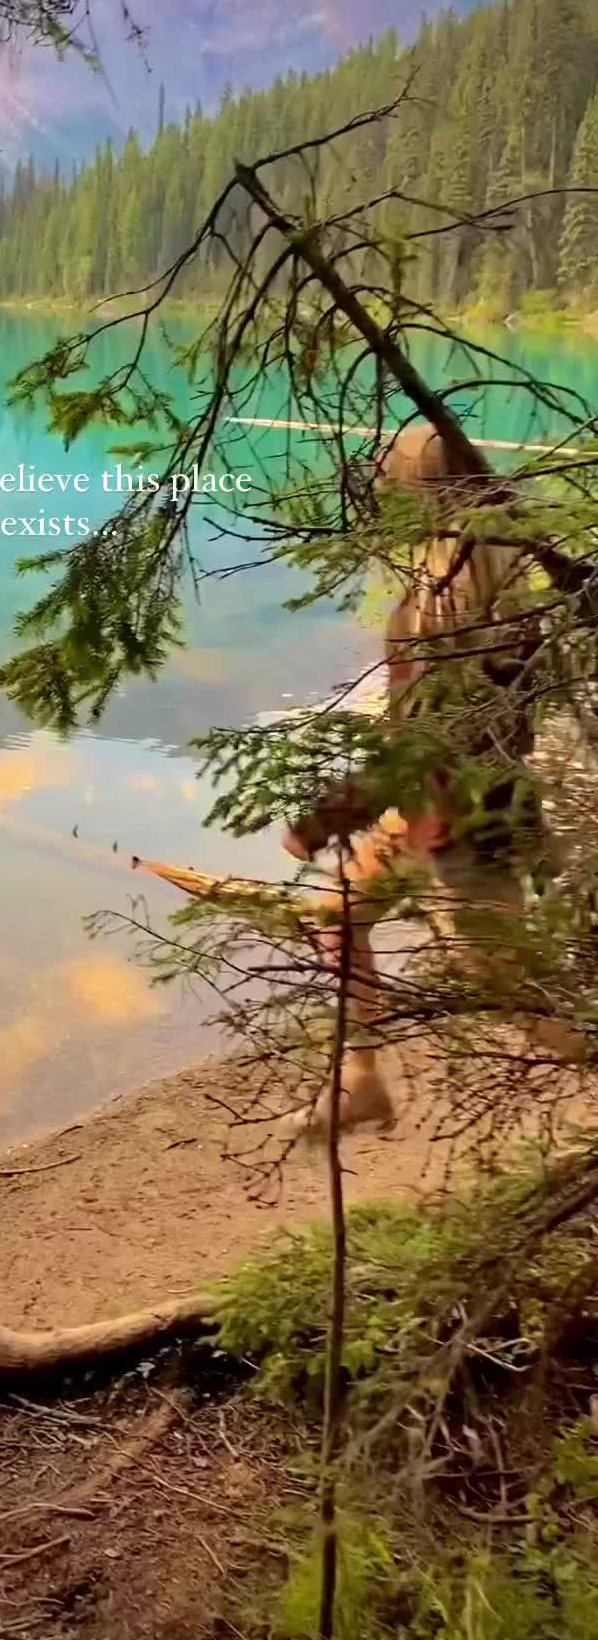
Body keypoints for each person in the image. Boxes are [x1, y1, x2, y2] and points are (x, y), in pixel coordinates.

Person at [282, 421, 581, 1141]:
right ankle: (359, 1083)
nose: (383, 497)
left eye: (394, 485)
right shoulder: (489, 573)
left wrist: (328, 814)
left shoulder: (455, 601)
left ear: (423, 496)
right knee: (338, 908)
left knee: (520, 1006)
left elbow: (426, 738)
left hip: (466, 827)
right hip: (439, 810)